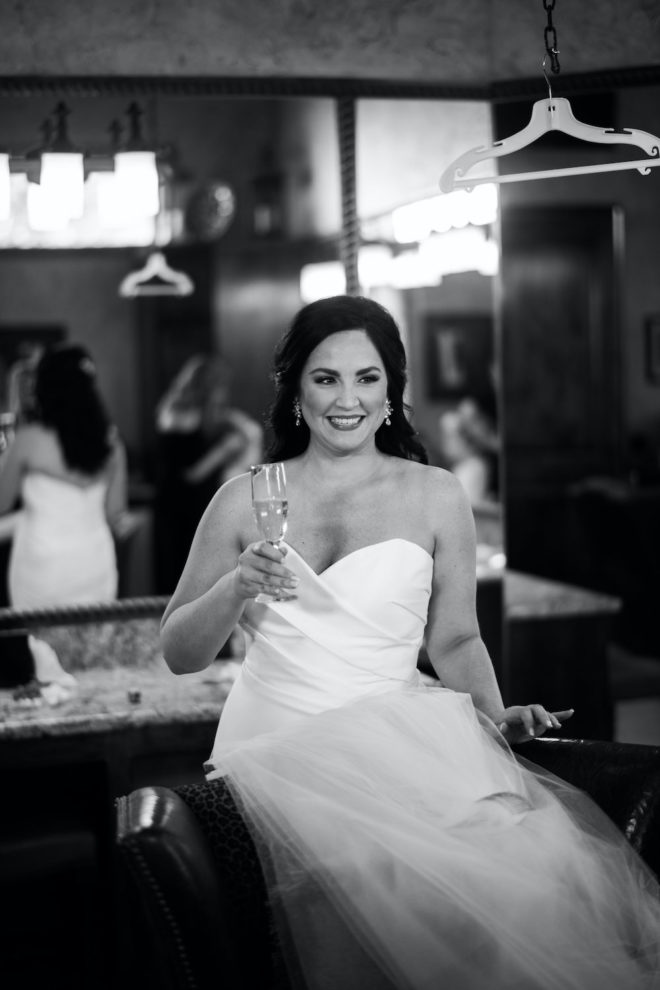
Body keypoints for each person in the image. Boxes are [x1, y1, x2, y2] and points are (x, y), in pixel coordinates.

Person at [161, 296, 660, 990]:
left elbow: (454, 637)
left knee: (511, 877)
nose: (348, 399)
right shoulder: (241, 500)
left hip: (397, 736)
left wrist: (493, 711)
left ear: (393, 393)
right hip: (277, 748)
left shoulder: (435, 496)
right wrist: (235, 587)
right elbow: (179, 651)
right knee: (359, 883)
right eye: (326, 378)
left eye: (368, 378)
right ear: (297, 394)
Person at [0, 343, 127, 689]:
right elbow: (115, 513)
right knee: (88, 660)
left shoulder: (29, 441)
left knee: (44, 656)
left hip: (42, 565)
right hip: (94, 562)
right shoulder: (111, 444)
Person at [154, 353, 263, 592]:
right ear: (208, 388)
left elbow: (247, 430)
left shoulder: (205, 415)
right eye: (221, 387)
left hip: (198, 501)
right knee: (182, 573)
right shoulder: (180, 416)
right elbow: (192, 475)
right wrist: (224, 450)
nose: (224, 394)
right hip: (180, 506)